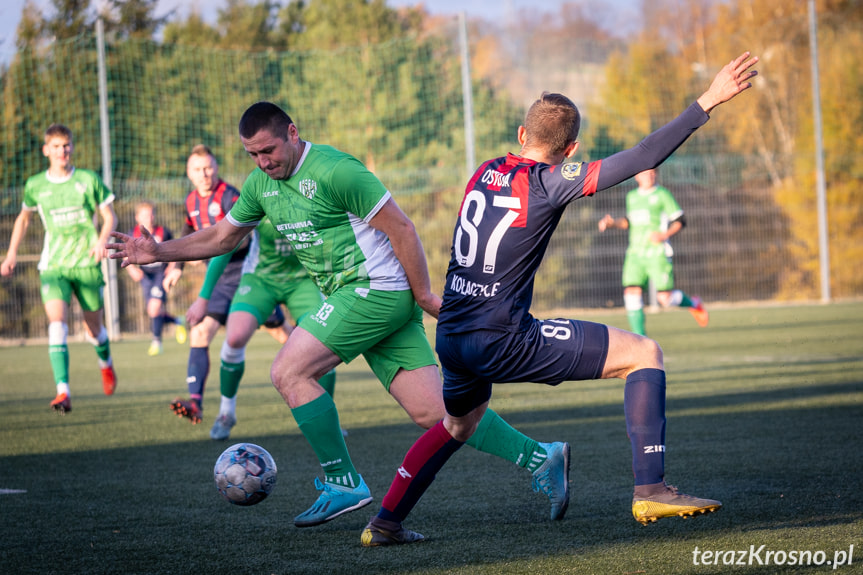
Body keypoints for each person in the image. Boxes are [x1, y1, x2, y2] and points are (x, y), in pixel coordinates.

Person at [359, 51, 759, 547]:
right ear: (571, 150)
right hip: (502, 338)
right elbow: (642, 156)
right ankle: (652, 488)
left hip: (453, 334)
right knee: (644, 354)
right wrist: (707, 101)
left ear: (522, 135)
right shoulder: (551, 183)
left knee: (459, 424)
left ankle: (385, 522)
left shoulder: (484, 171)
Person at [108, 101, 570, 529]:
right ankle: (540, 456)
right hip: (367, 295)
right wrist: (157, 252)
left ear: (292, 133)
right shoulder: (259, 184)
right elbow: (223, 239)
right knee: (434, 411)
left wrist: (425, 293)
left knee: (288, 371)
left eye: (269, 150)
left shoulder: (336, 169)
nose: (263, 162)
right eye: (252, 155)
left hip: (374, 290)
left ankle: (342, 481)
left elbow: (402, 228)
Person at [1, 123, 118, 413]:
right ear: (46, 150)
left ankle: (105, 363)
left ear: (71, 147)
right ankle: (62, 391)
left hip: (87, 263)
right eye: (56, 146)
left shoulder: (88, 180)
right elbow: (24, 218)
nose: (62, 151)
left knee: (94, 329)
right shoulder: (35, 185)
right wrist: (11, 253)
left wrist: (102, 241)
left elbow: (110, 216)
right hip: (54, 265)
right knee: (57, 323)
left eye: (66, 146)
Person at [202, 217, 337, 441]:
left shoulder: (313, 191)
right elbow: (225, 243)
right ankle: (226, 413)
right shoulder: (259, 192)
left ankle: (328, 421)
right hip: (260, 280)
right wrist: (203, 298)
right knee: (234, 337)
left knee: (322, 344)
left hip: (303, 281)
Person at [164, 144, 250, 424]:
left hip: (249, 276)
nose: (204, 174)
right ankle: (196, 403)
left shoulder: (230, 196)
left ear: (216, 168)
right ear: (189, 173)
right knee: (199, 333)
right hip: (220, 283)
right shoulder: (191, 201)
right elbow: (188, 230)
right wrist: (175, 266)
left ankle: (319, 395)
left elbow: (242, 237)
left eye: (209, 167)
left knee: (286, 337)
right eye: (198, 169)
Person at [598, 168, 708, 335]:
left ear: (656, 174)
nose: (649, 175)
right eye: (645, 172)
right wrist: (612, 223)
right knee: (631, 292)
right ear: (636, 176)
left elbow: (680, 220)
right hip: (635, 253)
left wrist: (664, 235)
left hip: (657, 253)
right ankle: (641, 338)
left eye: (652, 172)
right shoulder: (632, 197)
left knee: (665, 299)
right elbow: (629, 222)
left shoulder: (663, 194)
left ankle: (694, 304)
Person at [124, 201, 187, 356]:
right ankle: (177, 321)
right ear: (137, 218)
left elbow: (174, 250)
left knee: (154, 308)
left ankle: (156, 342)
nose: (149, 218)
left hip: (161, 273)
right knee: (153, 312)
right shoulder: (132, 234)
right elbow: (125, 253)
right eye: (145, 215)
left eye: (151, 214)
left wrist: (172, 268)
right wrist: (132, 269)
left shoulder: (163, 232)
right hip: (145, 274)